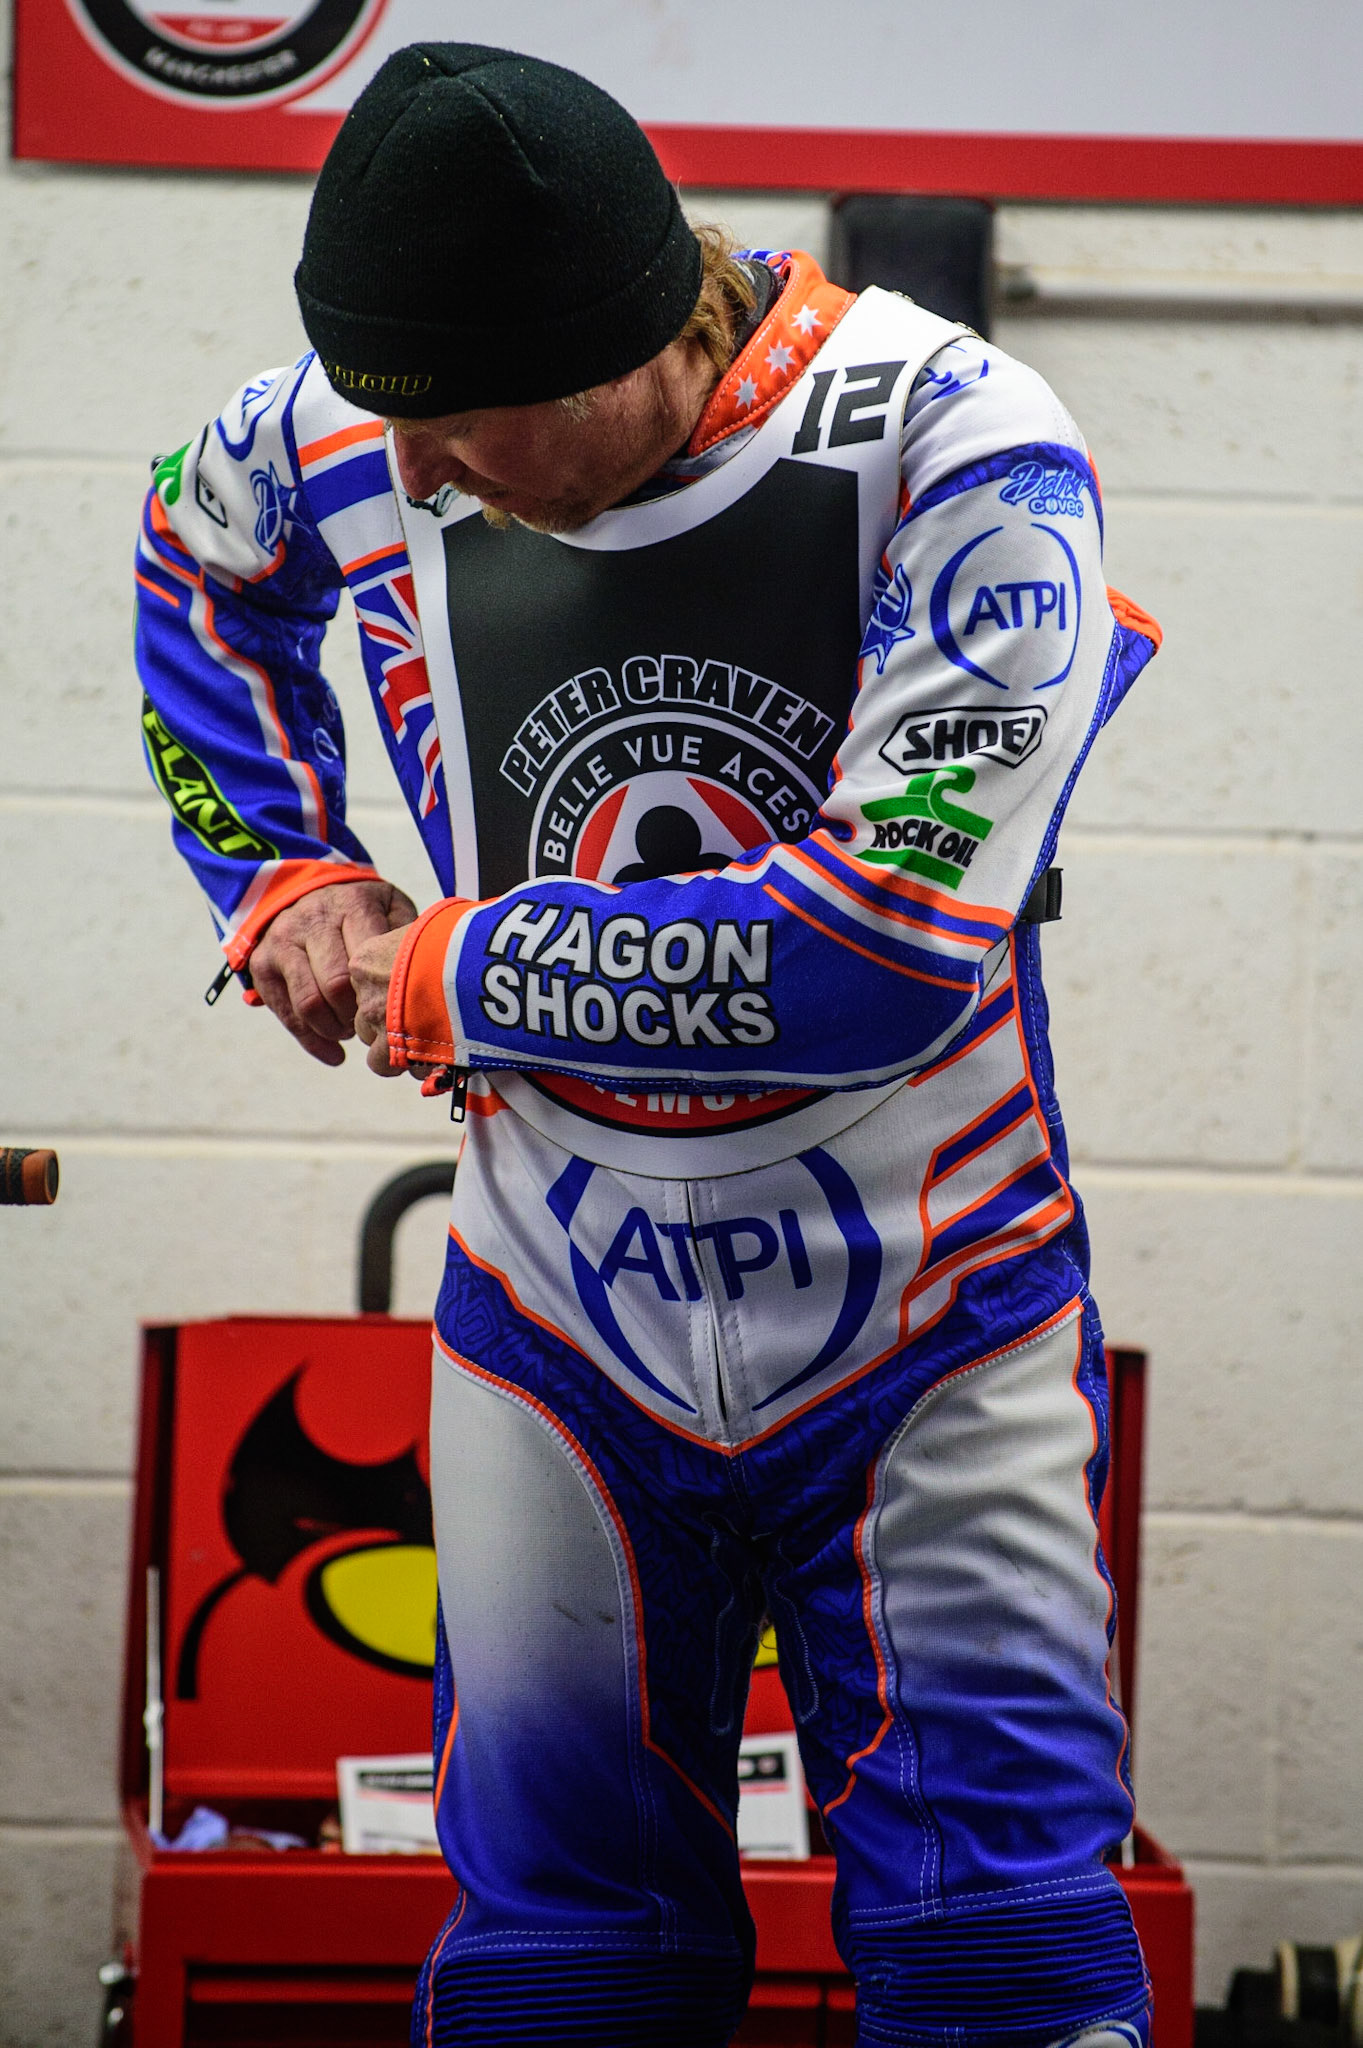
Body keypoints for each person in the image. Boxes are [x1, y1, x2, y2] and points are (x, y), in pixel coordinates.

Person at [135, 41, 1162, 2048]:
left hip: (925, 1313)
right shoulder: (351, 430)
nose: (408, 471)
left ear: (610, 343)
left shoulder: (955, 443)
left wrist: (440, 968)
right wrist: (276, 874)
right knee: (557, 1973)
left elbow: (879, 952)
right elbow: (195, 543)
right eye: (382, 415)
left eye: (448, 419)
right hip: (558, 1316)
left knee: (1004, 1961)